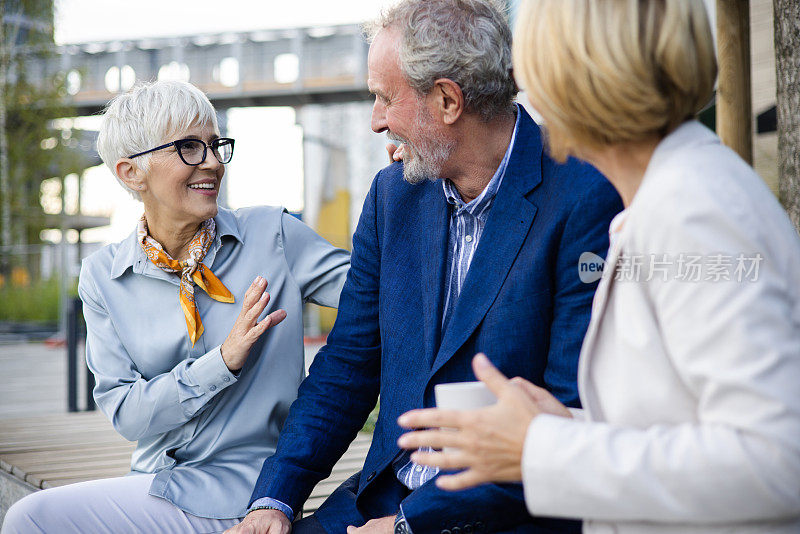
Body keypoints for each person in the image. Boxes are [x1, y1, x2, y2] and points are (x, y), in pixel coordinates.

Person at [397, 1, 800, 532]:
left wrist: (542, 448)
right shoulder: (666, 196)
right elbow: (678, 419)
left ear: (580, 77)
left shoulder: (693, 210)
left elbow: (777, 459)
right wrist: (564, 426)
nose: (523, 94)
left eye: (534, 69)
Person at [226, 1, 622, 533]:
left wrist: (408, 525)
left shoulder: (584, 197)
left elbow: (566, 417)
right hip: (378, 499)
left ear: (447, 100)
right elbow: (347, 365)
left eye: (386, 98)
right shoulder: (394, 196)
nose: (376, 121)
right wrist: (274, 499)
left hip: (498, 517)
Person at [1, 80, 350, 534]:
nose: (211, 162)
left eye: (213, 144)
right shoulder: (103, 276)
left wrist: (410, 192)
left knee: (30, 518)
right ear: (131, 173)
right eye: (188, 147)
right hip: (152, 485)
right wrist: (220, 363)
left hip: (247, 491)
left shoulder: (275, 236)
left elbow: (386, 297)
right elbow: (126, 413)